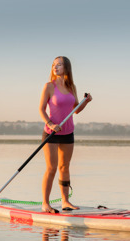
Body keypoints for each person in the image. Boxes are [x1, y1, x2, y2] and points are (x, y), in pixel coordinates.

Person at [39, 56, 92, 213]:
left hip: (68, 132)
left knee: (65, 167)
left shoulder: (71, 87)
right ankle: (45, 203)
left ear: (66, 68)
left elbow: (75, 110)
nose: (56, 67)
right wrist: (50, 124)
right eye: (54, 65)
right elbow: (41, 109)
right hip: (51, 132)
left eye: (59, 65)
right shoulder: (49, 86)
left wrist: (86, 102)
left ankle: (65, 201)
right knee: (52, 168)